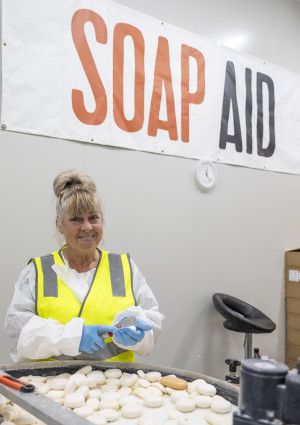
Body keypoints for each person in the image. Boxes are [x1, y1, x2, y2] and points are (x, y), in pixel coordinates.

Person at [4, 170, 164, 362]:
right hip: (52, 385)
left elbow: (152, 323)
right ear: (59, 224)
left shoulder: (124, 267)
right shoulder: (37, 271)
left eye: (93, 218)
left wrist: (138, 335)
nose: (87, 227)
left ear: (102, 220)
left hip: (116, 386)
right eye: (76, 219)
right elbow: (17, 334)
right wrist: (73, 337)